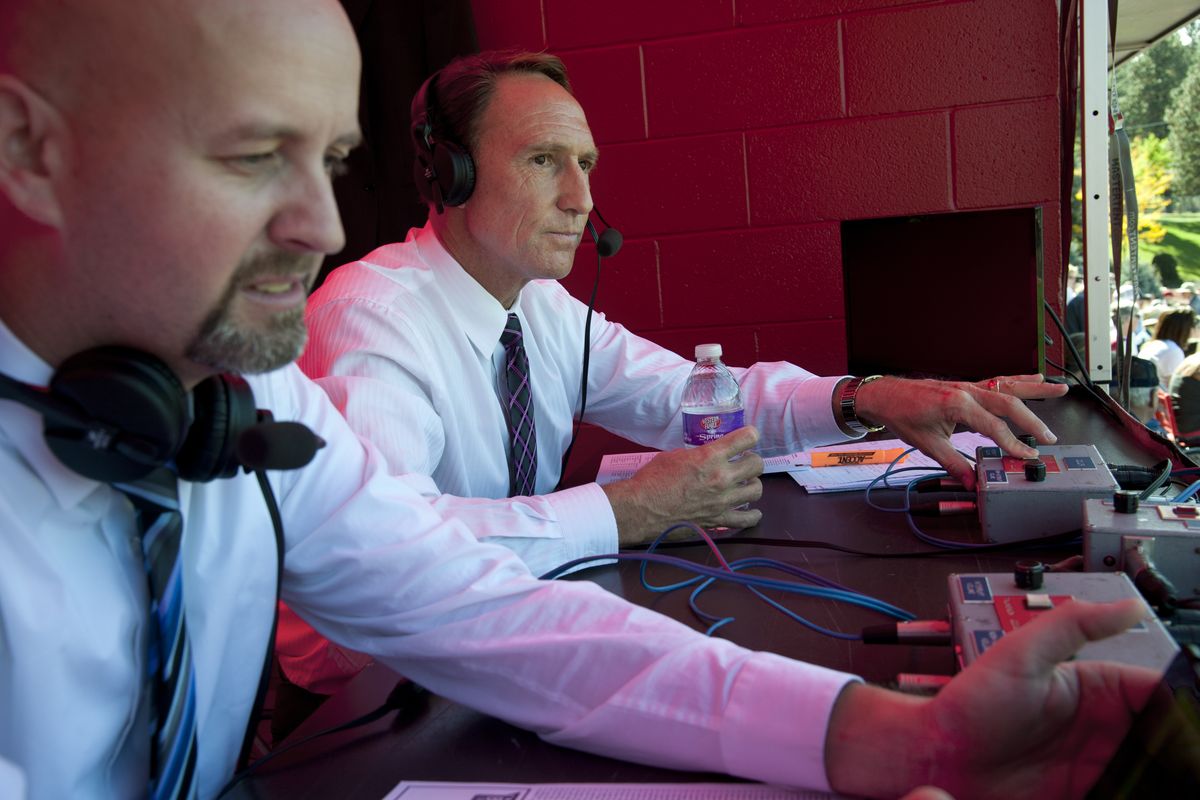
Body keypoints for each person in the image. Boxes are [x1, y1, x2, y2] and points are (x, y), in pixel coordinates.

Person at [0, 3, 1159, 799]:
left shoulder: (235, 392)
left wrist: (899, 732)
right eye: (255, 154)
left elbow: (496, 616)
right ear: (26, 148)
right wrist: (621, 513)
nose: (318, 224)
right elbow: (352, 635)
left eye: (328, 156)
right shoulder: (352, 321)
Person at [287, 49, 1070, 696]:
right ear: (446, 174)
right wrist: (626, 510)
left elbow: (690, 396)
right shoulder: (369, 315)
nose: (581, 199)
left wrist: (868, 396)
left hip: (484, 636)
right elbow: (389, 557)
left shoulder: (541, 308)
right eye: (542, 161)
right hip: (365, 691)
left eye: (586, 164)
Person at [1139, 306, 1196, 388]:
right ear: (1184, 328)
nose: (1193, 329)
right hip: (1155, 398)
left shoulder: (1154, 345)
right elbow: (1176, 388)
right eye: (1192, 325)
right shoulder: (1172, 351)